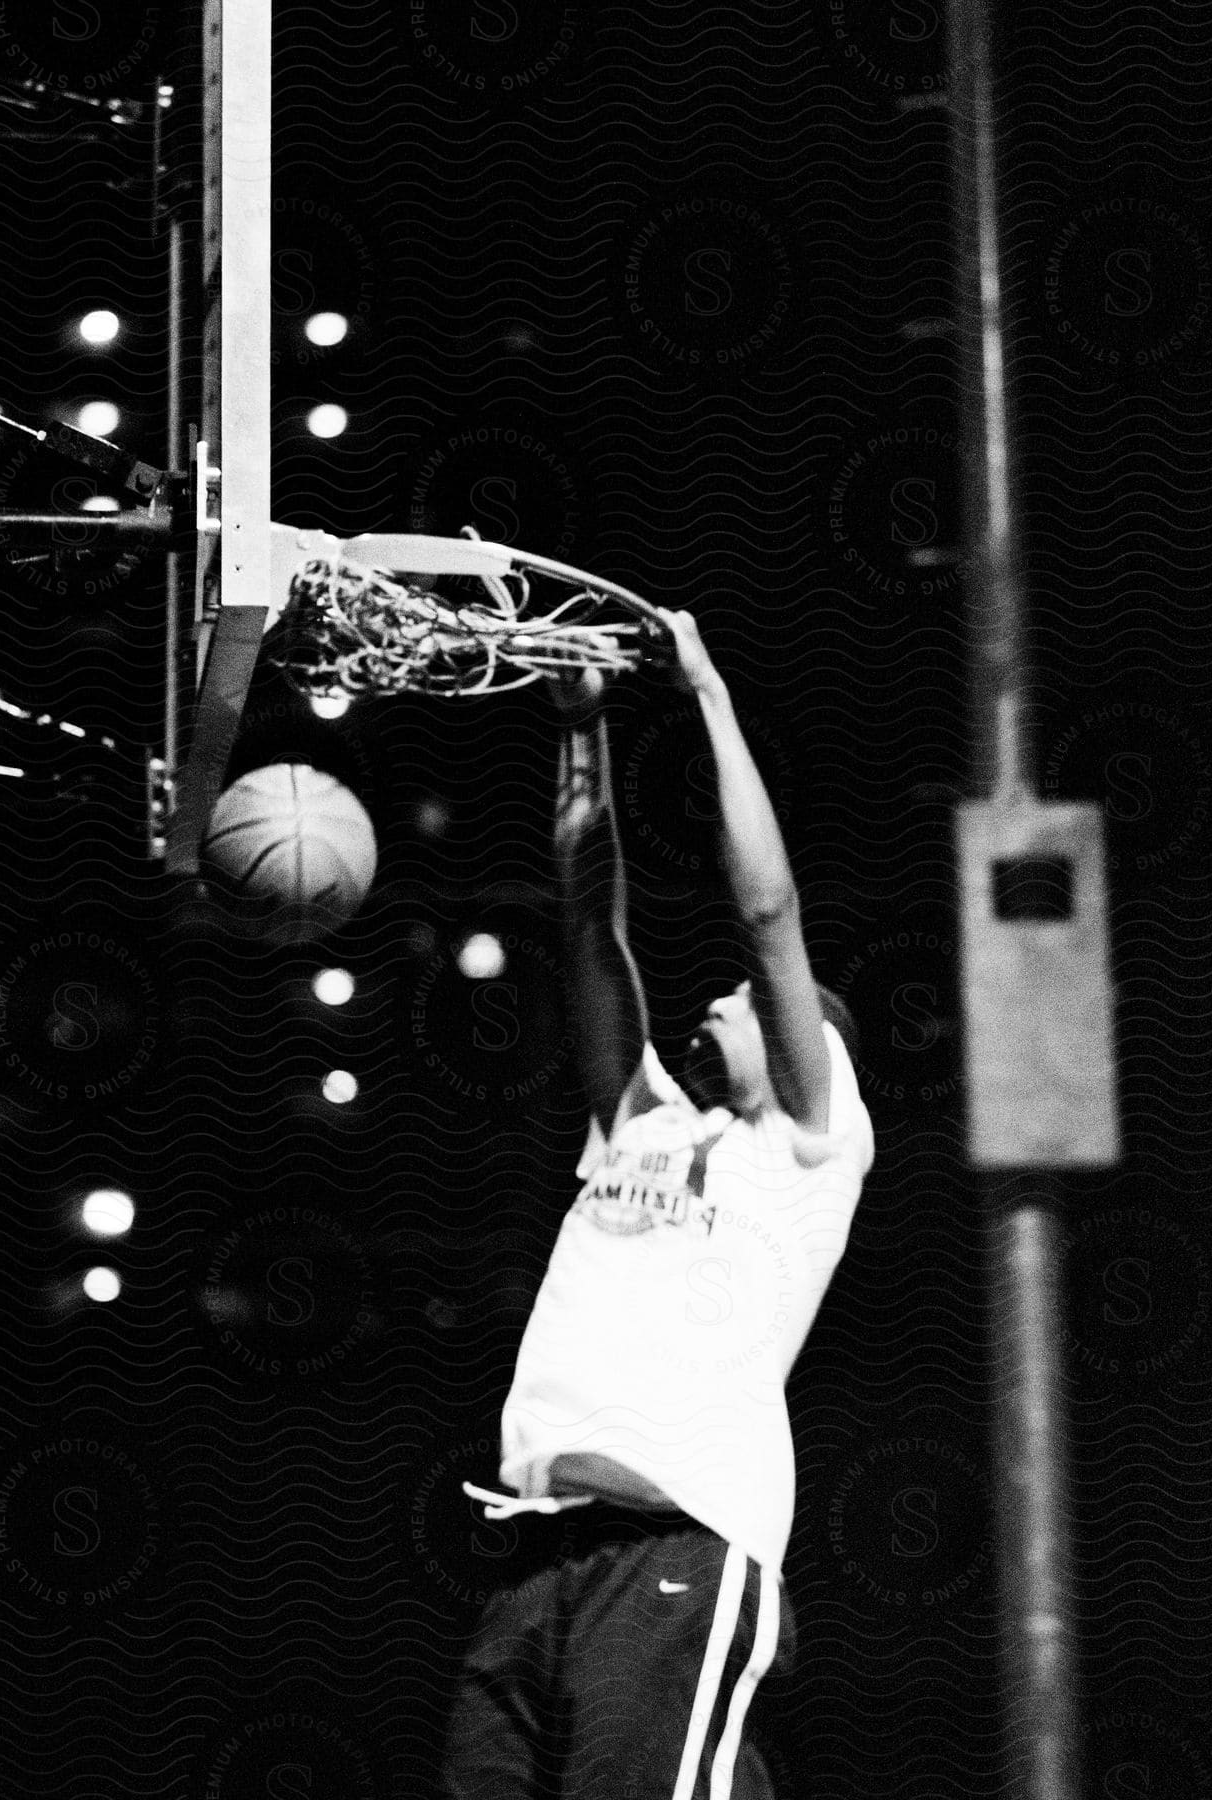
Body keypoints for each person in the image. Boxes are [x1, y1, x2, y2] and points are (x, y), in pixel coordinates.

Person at [442, 610, 875, 1799]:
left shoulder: (808, 1144)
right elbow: (590, 925)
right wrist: (581, 734)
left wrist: (708, 696)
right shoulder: (642, 1123)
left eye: (753, 1000)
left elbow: (771, 916)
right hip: (536, 1558)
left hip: (675, 1553)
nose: (728, 997)